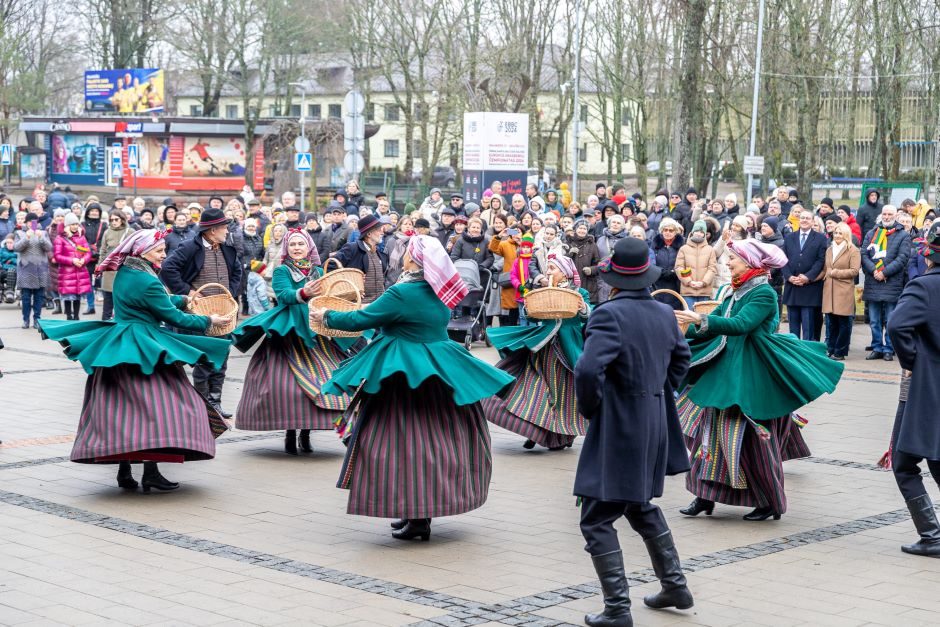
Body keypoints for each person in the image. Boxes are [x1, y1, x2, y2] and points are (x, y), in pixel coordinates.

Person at [311, 235, 513, 541]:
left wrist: (326, 314)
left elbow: (360, 319)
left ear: (414, 260)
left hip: (402, 373)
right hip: (439, 370)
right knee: (436, 443)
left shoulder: (403, 292)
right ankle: (418, 516)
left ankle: (415, 517)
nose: (402, 254)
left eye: (406, 251)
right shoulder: (439, 290)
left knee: (403, 445)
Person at [40, 230, 232, 492]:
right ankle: (151, 472)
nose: (164, 254)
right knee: (157, 412)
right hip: (145, 347)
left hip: (120, 344)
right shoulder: (148, 280)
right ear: (142, 251)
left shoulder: (125, 272)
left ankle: (125, 472)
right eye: (159, 250)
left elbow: (152, 301)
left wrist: (183, 299)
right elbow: (174, 317)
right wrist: (209, 321)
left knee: (122, 413)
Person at [675, 240, 843, 521]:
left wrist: (701, 320)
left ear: (750, 262)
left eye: (733, 259)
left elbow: (741, 325)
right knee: (711, 433)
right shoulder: (734, 290)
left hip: (752, 371)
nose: (728, 263)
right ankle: (704, 496)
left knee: (754, 441)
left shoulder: (763, 293)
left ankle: (769, 503)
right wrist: (684, 328)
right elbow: (713, 323)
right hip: (726, 370)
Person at [574, 237, 695, 627]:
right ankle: (674, 586)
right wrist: (659, 393)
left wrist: (593, 408)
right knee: (638, 502)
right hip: (654, 418)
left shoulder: (608, 314)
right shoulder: (664, 312)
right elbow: (682, 359)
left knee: (596, 516)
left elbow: (588, 371)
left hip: (621, 421)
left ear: (614, 279)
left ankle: (617, 610)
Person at [232, 230, 354, 455]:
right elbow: (284, 295)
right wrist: (303, 292)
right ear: (287, 248)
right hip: (288, 330)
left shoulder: (319, 271)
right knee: (286, 386)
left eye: (301, 244)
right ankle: (290, 431)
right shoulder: (282, 270)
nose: (297, 248)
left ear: (309, 247)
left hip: (315, 329)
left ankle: (306, 433)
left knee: (323, 379)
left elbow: (327, 297)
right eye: (293, 244)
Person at [484, 255, 590, 450]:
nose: (548, 272)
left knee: (564, 394)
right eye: (547, 268)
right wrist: (530, 306)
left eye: (552, 268)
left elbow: (587, 316)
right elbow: (531, 313)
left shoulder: (579, 293)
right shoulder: (543, 290)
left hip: (568, 345)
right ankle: (535, 430)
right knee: (538, 388)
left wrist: (583, 307)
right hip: (544, 345)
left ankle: (563, 435)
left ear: (565, 272)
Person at [886, 221, 940, 557]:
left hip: (928, 388)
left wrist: (912, 361)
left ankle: (933, 537)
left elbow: (897, 325)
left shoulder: (925, 286)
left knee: (905, 463)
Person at [160, 208, 242, 418]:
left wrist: (231, 294)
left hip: (224, 312)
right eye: (224, 227)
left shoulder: (227, 247)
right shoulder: (190, 247)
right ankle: (202, 404)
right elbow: (167, 269)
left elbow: (237, 272)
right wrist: (188, 292)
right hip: (200, 313)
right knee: (205, 360)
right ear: (212, 230)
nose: (227, 230)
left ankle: (216, 402)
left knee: (222, 357)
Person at [860, 204, 911, 361]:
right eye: (884, 214)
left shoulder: (903, 235)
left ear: (896, 216)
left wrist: (884, 272)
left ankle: (889, 348)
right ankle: (877, 347)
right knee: (874, 320)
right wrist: (875, 271)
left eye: (890, 214)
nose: (887, 217)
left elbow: (902, 258)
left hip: (892, 282)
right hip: (873, 282)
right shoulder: (872, 233)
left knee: (890, 320)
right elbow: (864, 254)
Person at [781, 209, 827, 340]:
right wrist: (789, 277)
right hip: (792, 287)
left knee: (809, 328)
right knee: (793, 330)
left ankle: (806, 354)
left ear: (813, 221)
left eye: (808, 218)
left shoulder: (820, 239)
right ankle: (794, 353)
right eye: (802, 218)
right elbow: (783, 259)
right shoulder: (790, 237)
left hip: (810, 289)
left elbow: (820, 261)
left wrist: (808, 277)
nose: (804, 220)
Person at [822, 223, 861, 360]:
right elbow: (825, 269)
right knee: (831, 322)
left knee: (844, 323)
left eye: (840, 233)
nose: (837, 235)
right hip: (829, 290)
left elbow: (854, 271)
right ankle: (831, 348)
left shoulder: (853, 250)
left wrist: (835, 272)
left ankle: (840, 351)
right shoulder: (829, 250)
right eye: (836, 232)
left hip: (843, 290)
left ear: (846, 235)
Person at [332, 214, 389, 303]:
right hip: (358, 306)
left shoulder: (380, 254)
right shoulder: (352, 248)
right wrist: (349, 281)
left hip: (378, 305)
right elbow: (330, 265)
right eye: (379, 230)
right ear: (369, 234)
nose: (382, 233)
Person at [14, 213, 52, 329]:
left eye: (34, 222)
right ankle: (26, 320)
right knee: (25, 297)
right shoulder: (19, 233)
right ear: (26, 223)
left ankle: (37, 319)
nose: (32, 224)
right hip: (25, 269)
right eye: (30, 222)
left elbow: (49, 248)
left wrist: (41, 237)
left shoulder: (44, 233)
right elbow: (17, 248)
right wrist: (27, 237)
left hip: (41, 269)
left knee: (39, 297)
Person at [54, 214, 93, 320]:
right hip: (67, 271)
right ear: (67, 225)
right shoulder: (60, 239)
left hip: (80, 270)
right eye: (73, 224)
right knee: (68, 295)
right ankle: (68, 316)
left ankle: (76, 316)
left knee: (77, 295)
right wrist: (72, 261)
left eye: (76, 224)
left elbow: (87, 252)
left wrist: (83, 260)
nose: (75, 226)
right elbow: (57, 256)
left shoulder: (81, 237)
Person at [97, 210, 133, 321]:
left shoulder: (130, 231)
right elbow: (103, 251)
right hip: (109, 270)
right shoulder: (107, 232)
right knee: (108, 299)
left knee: (123, 300)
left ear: (122, 219)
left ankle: (122, 325)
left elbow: (136, 250)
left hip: (125, 270)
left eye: (116, 219)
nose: (113, 222)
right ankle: (105, 326)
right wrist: (99, 266)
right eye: (111, 220)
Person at [675, 220, 717, 308]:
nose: (699, 234)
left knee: (702, 318)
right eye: (697, 231)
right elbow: (680, 267)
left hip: (704, 291)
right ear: (692, 232)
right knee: (689, 319)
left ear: (705, 234)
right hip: (688, 291)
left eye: (702, 232)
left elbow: (712, 268)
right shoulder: (684, 249)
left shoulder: (710, 250)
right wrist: (689, 281)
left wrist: (704, 282)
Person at [651, 218, 685, 309]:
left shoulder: (683, 247)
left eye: (671, 230)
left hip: (676, 284)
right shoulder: (655, 246)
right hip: (658, 283)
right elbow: (650, 264)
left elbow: (687, 266)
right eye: (665, 230)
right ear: (661, 231)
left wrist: (676, 273)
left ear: (675, 232)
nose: (668, 232)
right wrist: (660, 272)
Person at [568, 219, 601, 304]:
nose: (582, 230)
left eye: (584, 229)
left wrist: (591, 270)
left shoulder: (592, 245)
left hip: (588, 283)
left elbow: (598, 264)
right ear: (575, 229)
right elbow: (561, 262)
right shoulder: (568, 242)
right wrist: (569, 254)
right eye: (580, 228)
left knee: (586, 308)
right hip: (571, 283)